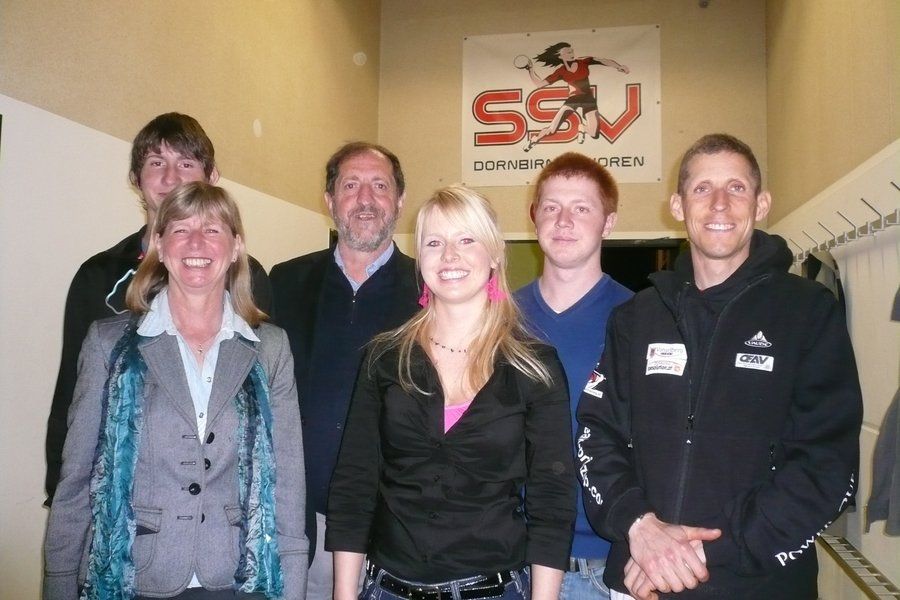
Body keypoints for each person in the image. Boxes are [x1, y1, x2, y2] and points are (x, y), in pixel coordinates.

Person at [576, 134, 863, 599]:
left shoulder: (808, 312)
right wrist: (640, 527)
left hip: (760, 584)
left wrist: (701, 554)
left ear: (762, 203)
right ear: (678, 205)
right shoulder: (636, 317)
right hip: (638, 578)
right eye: (702, 188)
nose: (719, 204)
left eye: (737, 188)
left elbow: (826, 464)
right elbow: (596, 433)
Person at [44, 182, 307, 599]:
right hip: (133, 576)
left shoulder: (270, 348)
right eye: (181, 229)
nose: (196, 242)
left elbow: (287, 487)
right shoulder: (108, 344)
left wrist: (293, 589)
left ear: (236, 247)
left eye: (213, 229)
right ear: (160, 246)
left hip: (238, 578)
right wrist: (59, 583)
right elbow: (76, 480)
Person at [327, 185, 576, 600]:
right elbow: (355, 483)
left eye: (466, 240)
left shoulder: (534, 366)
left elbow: (552, 500)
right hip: (388, 589)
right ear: (420, 257)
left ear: (494, 254)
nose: (449, 256)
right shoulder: (384, 358)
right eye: (434, 243)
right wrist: (343, 593)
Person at [45, 113, 272, 505]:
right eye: (156, 163)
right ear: (136, 178)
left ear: (211, 176)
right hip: (119, 493)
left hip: (217, 498)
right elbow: (72, 391)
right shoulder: (97, 276)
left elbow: (264, 398)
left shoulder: (246, 277)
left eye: (186, 163)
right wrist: (62, 488)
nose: (171, 178)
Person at [268, 142, 420, 598]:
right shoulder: (284, 282)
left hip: (401, 527)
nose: (366, 199)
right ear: (329, 200)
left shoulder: (429, 290)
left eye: (380, 186)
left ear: (400, 201)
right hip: (306, 525)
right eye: (351, 185)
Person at [515, 152, 633, 599]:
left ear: (609, 223)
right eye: (551, 207)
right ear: (534, 217)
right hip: (511, 560)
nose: (563, 220)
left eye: (581, 208)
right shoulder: (499, 319)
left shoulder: (643, 320)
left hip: (607, 566)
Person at [522, 42, 629, 152]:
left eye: (572, 51)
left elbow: (602, 60)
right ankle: (534, 139)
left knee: (594, 133)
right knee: (552, 129)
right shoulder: (560, 71)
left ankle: (582, 127)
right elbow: (540, 84)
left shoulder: (583, 61)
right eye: (568, 52)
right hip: (573, 100)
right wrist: (530, 70)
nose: (572, 54)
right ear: (560, 56)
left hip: (588, 100)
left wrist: (618, 66)